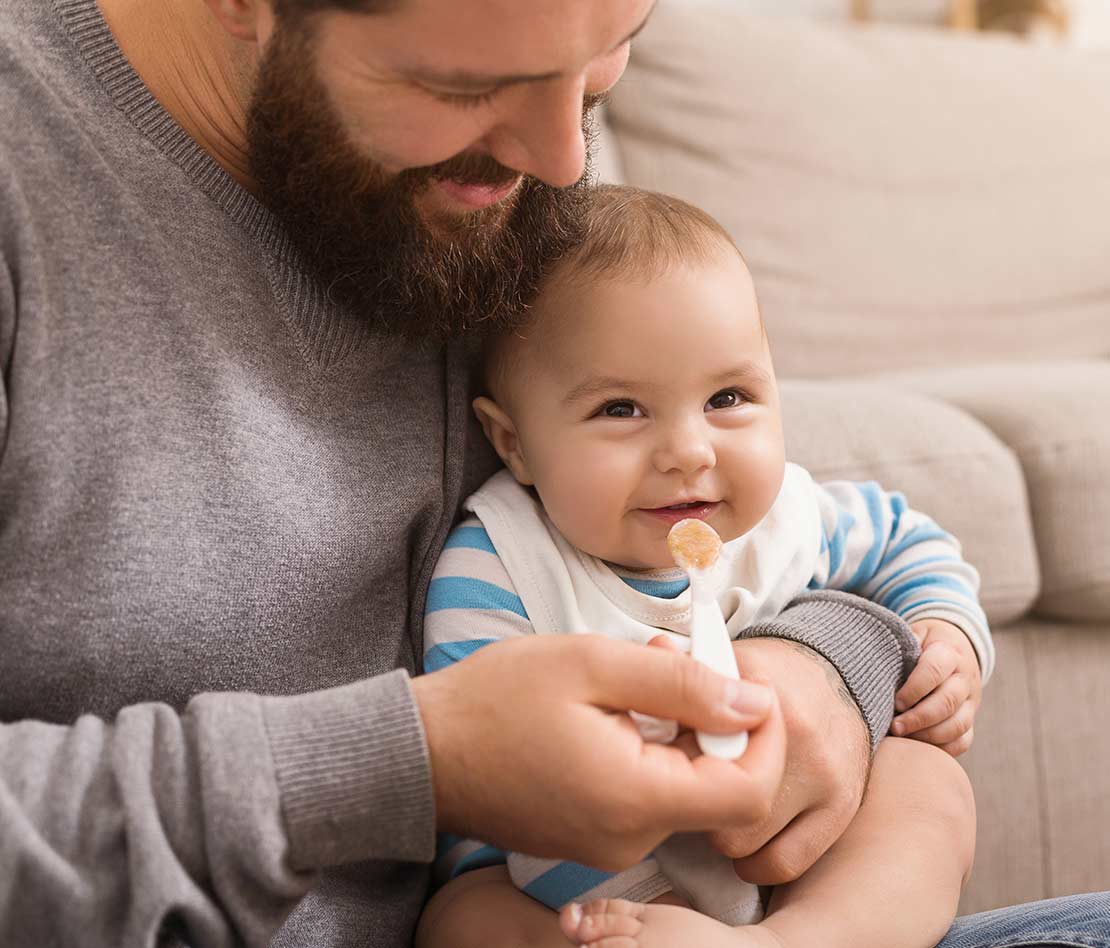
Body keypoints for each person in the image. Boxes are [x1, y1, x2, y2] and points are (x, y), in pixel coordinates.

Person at [0, 0, 1106, 946]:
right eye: (468, 86)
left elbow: (763, 524)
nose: (563, 165)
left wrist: (830, 657)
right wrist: (418, 763)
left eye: (609, 53)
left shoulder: (504, 174)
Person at [417, 185, 987, 948]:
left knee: (929, 783)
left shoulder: (787, 517)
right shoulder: (499, 567)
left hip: (797, 868)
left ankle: (796, 942)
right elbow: (496, 783)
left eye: (727, 397)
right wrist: (637, 909)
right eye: (621, 409)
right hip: (571, 881)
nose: (689, 452)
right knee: (464, 917)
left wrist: (947, 632)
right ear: (514, 443)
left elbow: (906, 542)